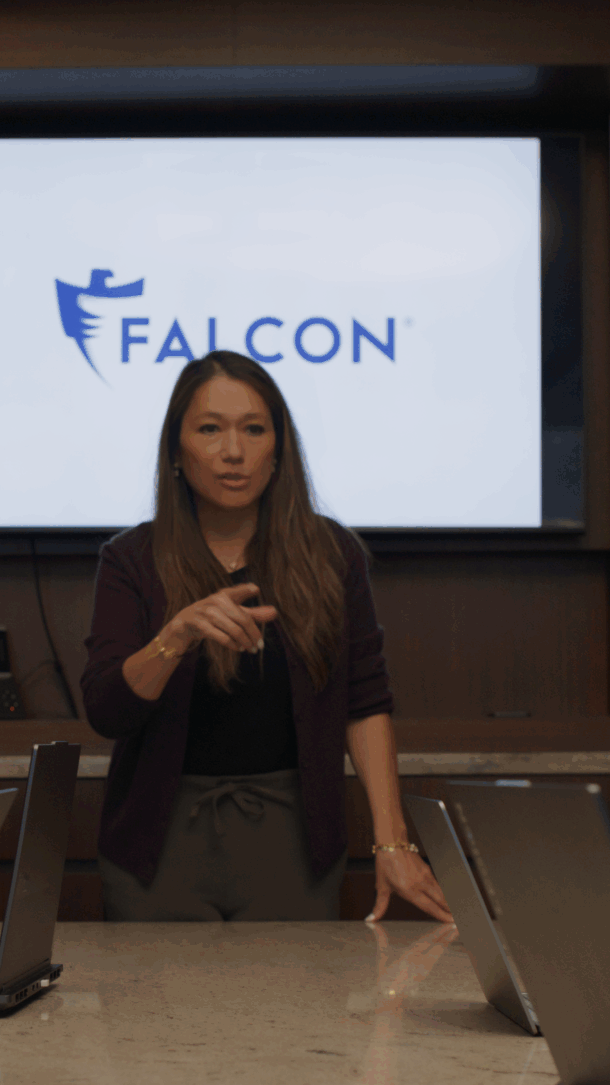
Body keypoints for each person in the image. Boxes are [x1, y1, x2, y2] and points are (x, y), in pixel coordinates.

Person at [83, 352, 450, 923]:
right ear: (177, 452)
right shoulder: (131, 559)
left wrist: (393, 843)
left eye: (254, 429)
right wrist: (176, 634)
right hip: (158, 843)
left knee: (295, 1012)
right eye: (210, 429)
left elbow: (366, 703)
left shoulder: (332, 554)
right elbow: (107, 709)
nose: (234, 452)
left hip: (293, 839)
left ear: (279, 450)